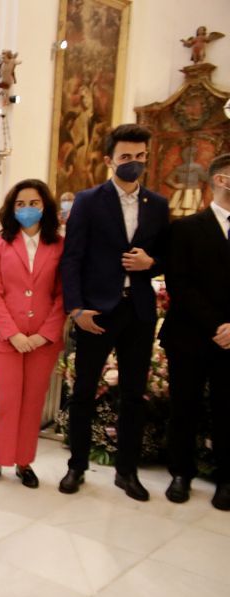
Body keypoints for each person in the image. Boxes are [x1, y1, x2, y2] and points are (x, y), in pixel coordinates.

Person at [59, 124, 170, 501]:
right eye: (126, 157)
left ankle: (127, 471)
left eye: (140, 157)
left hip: (138, 312)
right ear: (109, 160)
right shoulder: (89, 201)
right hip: (96, 312)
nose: (134, 164)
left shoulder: (158, 204)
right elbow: (71, 258)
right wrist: (76, 308)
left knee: (133, 395)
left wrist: (151, 262)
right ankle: (76, 466)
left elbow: (166, 257)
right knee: (84, 392)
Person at [0, 179, 65, 488]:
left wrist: (44, 334)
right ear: (11, 209)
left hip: (42, 340)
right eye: (20, 204)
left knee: (32, 403)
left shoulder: (58, 244)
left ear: (45, 207)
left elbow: (61, 295)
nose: (27, 209)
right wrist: (12, 333)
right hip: (6, 339)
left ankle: (24, 461)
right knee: (5, 401)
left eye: (34, 203)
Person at [159, 153, 230, 510]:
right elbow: (179, 283)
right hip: (190, 333)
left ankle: (226, 478)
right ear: (221, 179)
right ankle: (180, 473)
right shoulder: (187, 229)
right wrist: (217, 325)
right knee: (183, 406)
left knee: (227, 409)